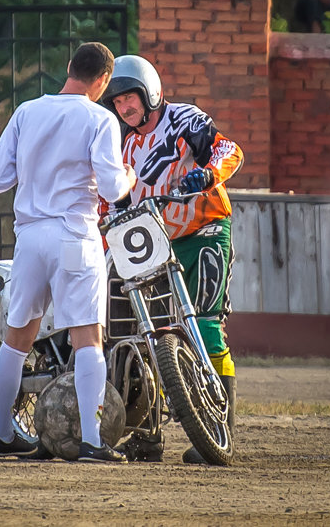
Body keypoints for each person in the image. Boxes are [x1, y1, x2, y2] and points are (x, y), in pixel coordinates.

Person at [0, 42, 137, 463]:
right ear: (103, 81)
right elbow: (110, 189)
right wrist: (128, 175)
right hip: (74, 234)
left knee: (17, 339)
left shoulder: (27, 111)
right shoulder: (100, 119)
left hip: (29, 236)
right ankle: (91, 439)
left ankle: (2, 435)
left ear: (69, 67)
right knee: (87, 337)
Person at [99, 55, 243, 464]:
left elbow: (229, 149)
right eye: (118, 102)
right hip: (153, 242)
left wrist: (208, 174)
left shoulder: (183, 119)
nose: (124, 108)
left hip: (205, 231)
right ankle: (147, 435)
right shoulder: (121, 143)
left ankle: (222, 432)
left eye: (130, 98)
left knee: (207, 327)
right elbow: (109, 197)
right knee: (143, 335)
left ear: (151, 92)